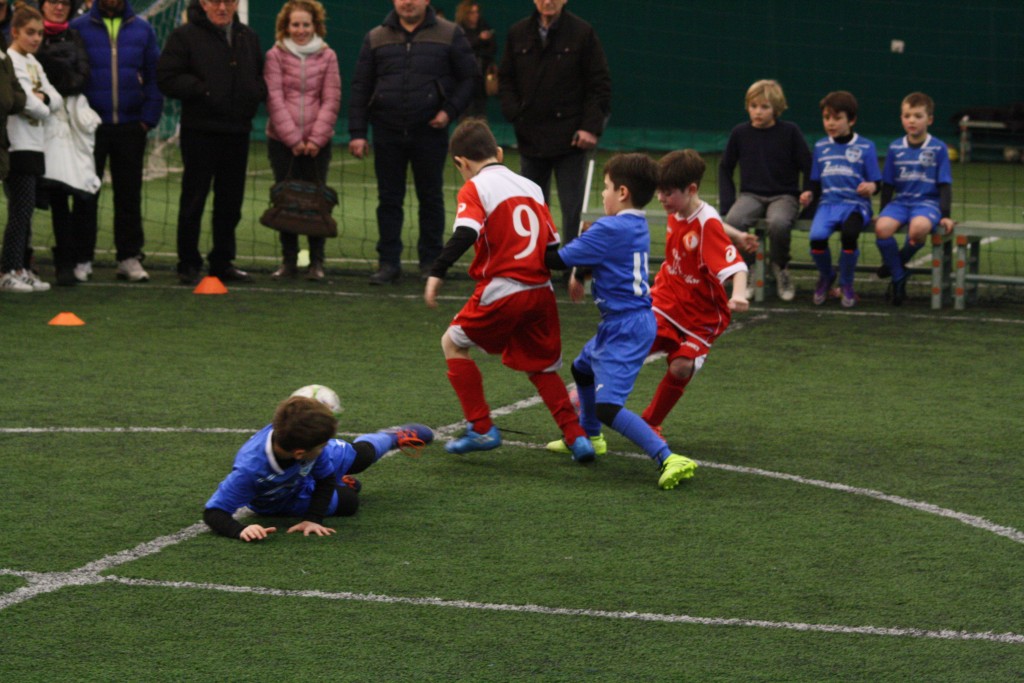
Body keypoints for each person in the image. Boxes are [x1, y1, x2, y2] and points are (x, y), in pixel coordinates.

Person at [423, 118, 594, 461]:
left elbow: (466, 233)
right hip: (541, 291)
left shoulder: (474, 188)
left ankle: (481, 428)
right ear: (499, 153)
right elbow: (551, 253)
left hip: (503, 288)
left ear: (460, 162)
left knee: (452, 343)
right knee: (542, 367)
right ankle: (577, 438)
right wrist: (579, 270)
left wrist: (436, 272)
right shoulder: (532, 188)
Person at [543, 153, 698, 490]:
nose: (603, 194)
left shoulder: (610, 227)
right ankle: (591, 435)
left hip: (626, 326)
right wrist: (582, 271)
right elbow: (604, 256)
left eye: (606, 187)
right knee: (582, 369)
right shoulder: (634, 224)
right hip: (625, 321)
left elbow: (554, 259)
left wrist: (529, 240)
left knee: (607, 405)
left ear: (623, 192)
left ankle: (667, 457)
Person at [348, 0, 476, 285]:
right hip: (386, 131)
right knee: (388, 199)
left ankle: (431, 262)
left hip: (430, 133)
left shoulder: (450, 33)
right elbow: (361, 86)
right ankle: (388, 263)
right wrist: (357, 132)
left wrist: (448, 111)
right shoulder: (375, 37)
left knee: (431, 198)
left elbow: (469, 78)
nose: (407, 2)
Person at [204, 395, 434, 542]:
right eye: (323, 445)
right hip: (283, 499)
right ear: (299, 453)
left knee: (361, 457)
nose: (326, 446)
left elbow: (325, 479)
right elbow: (214, 512)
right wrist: (239, 530)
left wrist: (313, 518)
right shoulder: (250, 471)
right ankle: (340, 484)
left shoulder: (309, 446)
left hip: (305, 467)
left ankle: (392, 437)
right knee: (349, 502)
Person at [639, 150, 749, 437]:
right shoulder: (680, 210)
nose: (661, 198)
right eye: (659, 192)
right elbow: (714, 220)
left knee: (681, 366)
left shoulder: (705, 224)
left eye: (667, 193)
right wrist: (737, 234)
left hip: (701, 315)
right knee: (634, 342)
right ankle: (590, 401)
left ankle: (650, 423)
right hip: (666, 298)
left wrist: (738, 295)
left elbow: (738, 267)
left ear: (690, 190)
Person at [157, 0, 265, 286]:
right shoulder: (184, 36)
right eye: (215, 1)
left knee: (231, 202)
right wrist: (203, 90)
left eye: (228, 1)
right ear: (203, 3)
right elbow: (166, 77)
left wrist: (253, 94)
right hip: (200, 131)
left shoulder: (248, 37)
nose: (222, 7)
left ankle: (222, 262)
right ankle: (188, 263)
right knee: (194, 199)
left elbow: (260, 76)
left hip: (237, 131)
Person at [498, 0, 610, 248]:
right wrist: (515, 113)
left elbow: (599, 84)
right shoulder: (518, 33)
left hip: (571, 140)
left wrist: (590, 127)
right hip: (530, 137)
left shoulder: (582, 32)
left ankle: (573, 262)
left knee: (574, 209)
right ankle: (535, 259)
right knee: (531, 207)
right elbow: (505, 79)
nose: (548, 1)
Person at [70, 0, 162, 284]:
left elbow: (154, 76)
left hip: (131, 126)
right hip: (90, 128)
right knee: (85, 193)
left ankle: (129, 257)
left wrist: (147, 118)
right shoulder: (78, 27)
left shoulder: (143, 29)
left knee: (129, 195)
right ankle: (81, 257)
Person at [264, 0, 340, 282]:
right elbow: (274, 98)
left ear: (315, 26)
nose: (300, 30)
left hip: (318, 145)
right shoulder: (274, 55)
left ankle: (317, 262)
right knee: (287, 199)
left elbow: (331, 98)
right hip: (282, 143)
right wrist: (293, 139)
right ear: (286, 26)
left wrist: (316, 139)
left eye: (305, 24)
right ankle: (288, 261)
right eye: (295, 24)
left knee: (316, 201)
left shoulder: (328, 56)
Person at [718, 79, 812, 302]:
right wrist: (728, 202)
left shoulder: (790, 132)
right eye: (753, 106)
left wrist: (808, 191)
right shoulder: (740, 133)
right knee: (734, 220)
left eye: (764, 107)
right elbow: (725, 167)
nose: (758, 112)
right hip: (751, 195)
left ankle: (780, 266)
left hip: (784, 195)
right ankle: (747, 269)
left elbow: (808, 165)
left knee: (778, 223)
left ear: (776, 109)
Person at [799, 91, 881, 307]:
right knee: (817, 239)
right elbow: (815, 181)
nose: (831, 123)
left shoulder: (866, 147)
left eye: (837, 118)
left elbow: (877, 182)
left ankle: (846, 284)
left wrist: (871, 187)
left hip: (856, 205)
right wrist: (808, 193)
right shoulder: (820, 147)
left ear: (851, 120)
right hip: (828, 204)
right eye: (827, 118)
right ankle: (826, 276)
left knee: (849, 235)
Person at [874, 91, 955, 306]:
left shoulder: (938, 148)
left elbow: (945, 184)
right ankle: (899, 274)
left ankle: (893, 266)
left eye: (918, 116)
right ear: (901, 118)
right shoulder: (895, 147)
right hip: (901, 202)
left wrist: (945, 215)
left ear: (929, 120)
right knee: (882, 228)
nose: (912, 120)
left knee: (918, 229)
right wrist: (882, 212)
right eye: (907, 116)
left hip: (928, 203)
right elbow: (888, 185)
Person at [1, 4, 60, 293]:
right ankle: (8, 269)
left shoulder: (34, 62)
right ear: (15, 32)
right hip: (17, 144)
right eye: (30, 32)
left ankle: (22, 267)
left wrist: (44, 101)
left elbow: (54, 97)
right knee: (19, 210)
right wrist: (43, 105)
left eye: (39, 33)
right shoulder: (10, 59)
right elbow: (26, 101)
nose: (36, 38)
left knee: (27, 211)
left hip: (36, 145)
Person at [35, 0, 91, 287]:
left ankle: (65, 263)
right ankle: (19, 261)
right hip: (29, 126)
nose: (59, 7)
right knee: (25, 197)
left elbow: (81, 79)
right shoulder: (28, 31)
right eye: (53, 2)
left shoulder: (75, 36)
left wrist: (50, 77)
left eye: (65, 3)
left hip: (63, 129)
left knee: (62, 195)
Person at [454, 0, 494, 119]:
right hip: (464, 75)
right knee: (465, 107)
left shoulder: (484, 26)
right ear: (465, 14)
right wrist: (479, 40)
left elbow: (493, 48)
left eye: (477, 12)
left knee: (480, 108)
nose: (476, 15)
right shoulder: (459, 30)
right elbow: (462, 48)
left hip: (482, 74)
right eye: (472, 12)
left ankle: (481, 126)